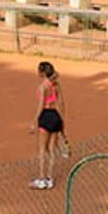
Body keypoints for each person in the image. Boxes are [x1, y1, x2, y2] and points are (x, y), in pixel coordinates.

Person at [29, 61, 67, 189]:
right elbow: (61, 103)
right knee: (51, 149)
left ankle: (41, 179)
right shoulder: (56, 85)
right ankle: (50, 179)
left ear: (43, 73)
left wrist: (34, 122)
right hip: (55, 116)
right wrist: (61, 121)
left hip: (45, 116)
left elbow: (40, 106)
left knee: (42, 149)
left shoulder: (42, 87)